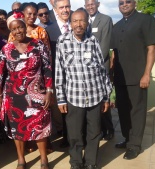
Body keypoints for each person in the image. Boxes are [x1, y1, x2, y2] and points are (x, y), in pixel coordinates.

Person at [55, 9, 112, 169]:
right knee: (74, 134)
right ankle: (76, 162)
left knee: (94, 132)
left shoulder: (93, 40)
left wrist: (107, 96)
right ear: (70, 23)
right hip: (74, 97)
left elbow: (102, 69)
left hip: (95, 96)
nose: (78, 24)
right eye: (75, 21)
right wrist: (60, 97)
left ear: (87, 22)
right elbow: (59, 71)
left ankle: (91, 162)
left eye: (82, 21)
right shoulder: (62, 41)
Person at [0, 12, 52, 169]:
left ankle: (44, 160)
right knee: (17, 129)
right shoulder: (6, 49)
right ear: (11, 32)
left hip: (37, 93)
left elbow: (47, 68)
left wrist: (49, 91)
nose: (18, 31)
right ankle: (21, 160)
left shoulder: (38, 45)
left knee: (40, 126)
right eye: (14, 29)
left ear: (25, 27)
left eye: (20, 27)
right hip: (13, 96)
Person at [110, 0, 155, 160]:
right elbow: (114, 53)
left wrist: (147, 74)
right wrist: (111, 73)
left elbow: (152, 48)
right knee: (123, 111)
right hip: (120, 77)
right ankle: (127, 138)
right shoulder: (117, 25)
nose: (124, 4)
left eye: (128, 1)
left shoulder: (146, 20)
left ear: (135, 3)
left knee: (137, 112)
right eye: (121, 2)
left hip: (138, 77)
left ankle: (135, 146)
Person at [84, 0, 114, 141]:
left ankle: (109, 129)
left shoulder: (106, 20)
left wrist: (92, 64)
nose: (90, 7)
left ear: (98, 4)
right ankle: (97, 129)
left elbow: (105, 45)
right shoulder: (83, 19)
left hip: (100, 66)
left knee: (103, 98)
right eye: (87, 4)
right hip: (85, 70)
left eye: (92, 4)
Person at [45, 0, 72, 148]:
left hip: (77, 76)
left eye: (67, 6)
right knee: (64, 108)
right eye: (61, 7)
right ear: (55, 9)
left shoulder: (78, 25)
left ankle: (78, 136)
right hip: (59, 76)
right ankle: (66, 137)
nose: (65, 10)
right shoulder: (49, 30)